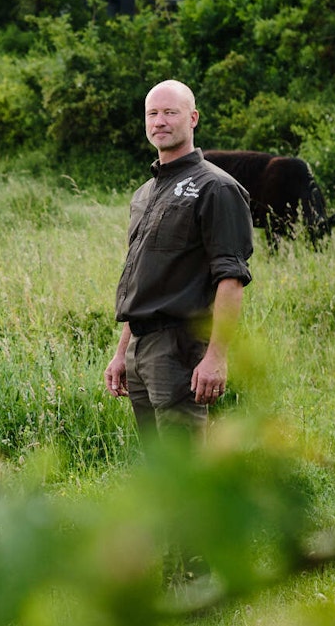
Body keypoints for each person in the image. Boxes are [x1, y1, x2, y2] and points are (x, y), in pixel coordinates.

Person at [104, 79, 254, 431]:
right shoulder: (145, 194)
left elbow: (231, 278)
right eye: (152, 114)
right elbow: (144, 279)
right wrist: (122, 352)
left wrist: (216, 357)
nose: (160, 121)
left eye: (171, 112)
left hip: (179, 347)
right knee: (157, 460)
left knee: (184, 458)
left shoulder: (216, 187)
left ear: (193, 118)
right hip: (139, 347)